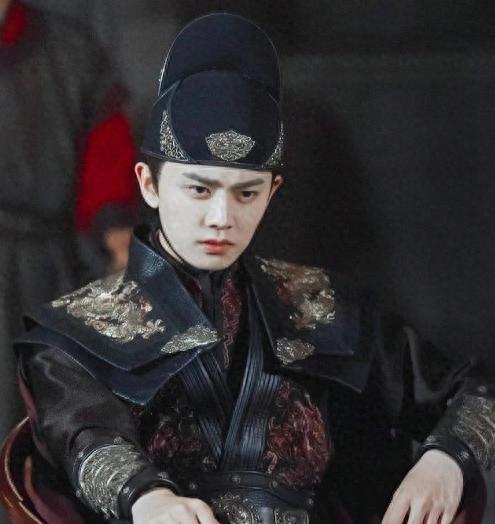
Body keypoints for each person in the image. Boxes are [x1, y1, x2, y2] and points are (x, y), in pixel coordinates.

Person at [12, 13, 495, 524]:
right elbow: (87, 439)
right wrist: (147, 498)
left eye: (246, 193)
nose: (222, 218)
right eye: (199, 189)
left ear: (272, 192)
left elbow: (475, 393)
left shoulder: (324, 306)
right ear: (149, 185)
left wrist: (447, 461)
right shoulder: (72, 336)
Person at [0, 0, 137, 443]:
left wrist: (119, 243)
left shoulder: (71, 51)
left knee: (40, 419)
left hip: (45, 273)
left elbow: (108, 164)